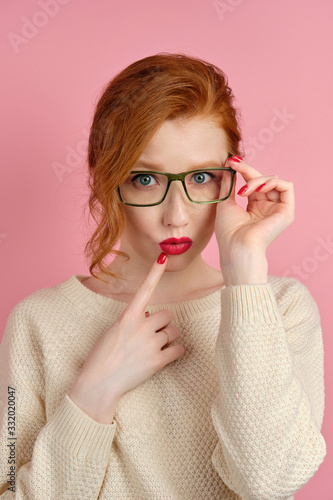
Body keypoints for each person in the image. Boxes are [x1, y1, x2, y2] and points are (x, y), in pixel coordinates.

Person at [0, 53, 326, 499]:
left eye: (202, 177)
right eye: (145, 180)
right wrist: (94, 392)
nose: (176, 217)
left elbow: (268, 482)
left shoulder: (281, 308)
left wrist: (245, 276)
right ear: (105, 179)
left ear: (233, 178)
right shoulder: (37, 323)